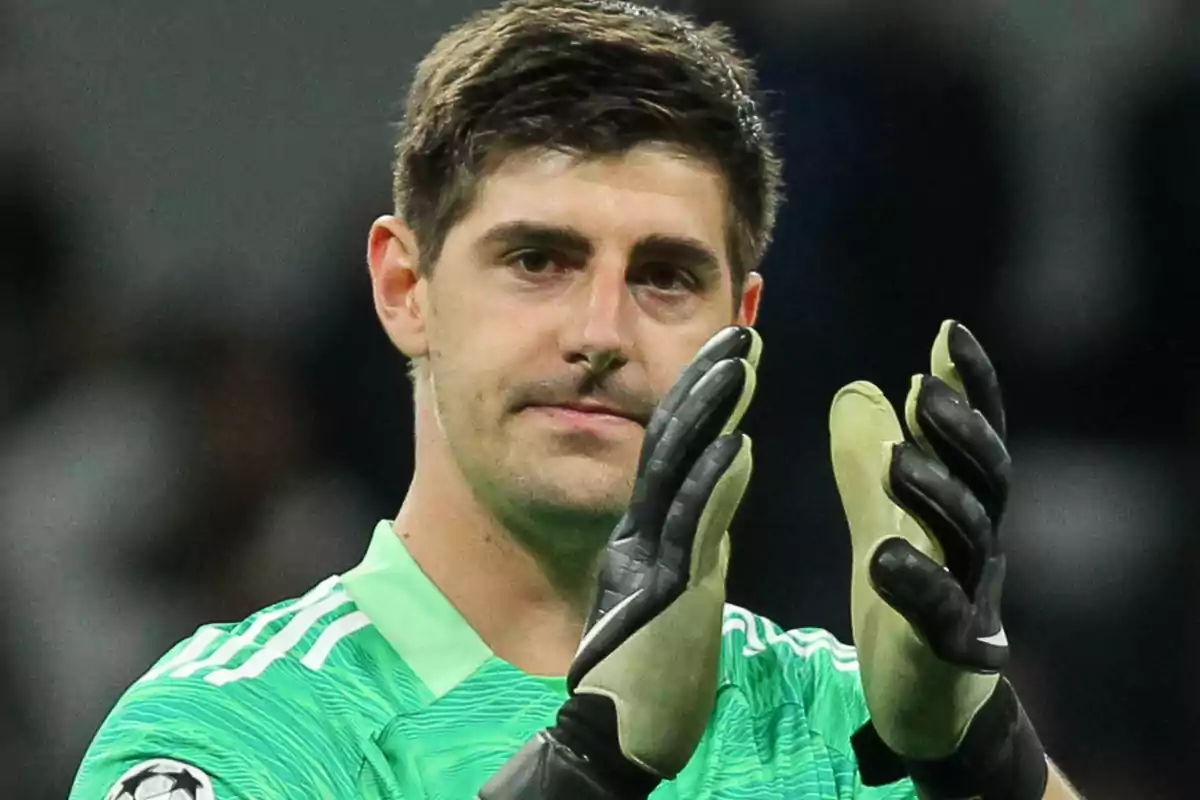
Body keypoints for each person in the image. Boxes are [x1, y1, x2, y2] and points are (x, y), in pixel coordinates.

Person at [71, 2, 1085, 798]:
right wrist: (589, 770)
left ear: (743, 322)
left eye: (665, 276)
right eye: (538, 259)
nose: (600, 331)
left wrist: (986, 757)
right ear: (404, 289)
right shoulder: (235, 725)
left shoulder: (842, 718)